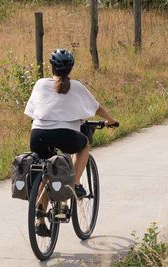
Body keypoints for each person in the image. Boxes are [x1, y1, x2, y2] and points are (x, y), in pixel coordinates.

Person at [23, 48, 117, 195]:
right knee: (84, 144)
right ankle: (75, 182)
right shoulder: (77, 86)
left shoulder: (40, 84)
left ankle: (39, 213)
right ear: (71, 68)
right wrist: (111, 121)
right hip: (66, 136)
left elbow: (31, 112)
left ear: (51, 67)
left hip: (37, 136)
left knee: (48, 172)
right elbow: (97, 108)